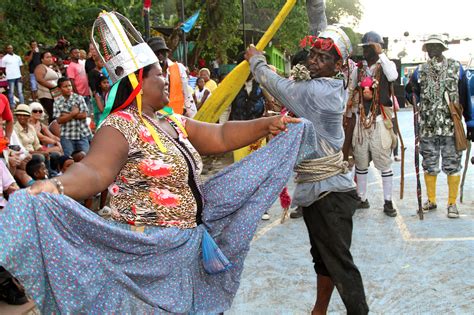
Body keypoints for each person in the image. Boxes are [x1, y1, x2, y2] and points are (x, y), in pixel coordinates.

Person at [0, 11, 306, 313]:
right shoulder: (119, 125)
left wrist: (267, 125)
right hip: (151, 256)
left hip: (186, 249)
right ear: (138, 82)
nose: (166, 78)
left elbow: (222, 136)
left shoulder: (167, 121)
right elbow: (94, 171)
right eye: (159, 72)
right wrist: (55, 185)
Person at [245, 25, 369, 314]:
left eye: (322, 58)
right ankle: (319, 310)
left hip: (330, 195)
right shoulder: (328, 82)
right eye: (312, 54)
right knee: (324, 259)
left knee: (339, 263)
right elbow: (319, 24)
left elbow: (276, 85)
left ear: (338, 66)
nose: (313, 60)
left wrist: (255, 59)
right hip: (319, 191)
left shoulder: (317, 92)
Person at [406, 34, 468, 218]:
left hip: (451, 126)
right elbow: (412, 95)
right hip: (428, 126)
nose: (433, 50)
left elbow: (464, 96)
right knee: (429, 164)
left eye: (436, 47)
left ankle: (452, 203)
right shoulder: (420, 71)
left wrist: (470, 122)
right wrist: (411, 95)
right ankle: (431, 200)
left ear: (442, 48)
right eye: (430, 47)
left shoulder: (457, 68)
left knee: (453, 164)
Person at [351, 31, 399, 217]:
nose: (366, 52)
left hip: (379, 122)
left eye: (369, 48)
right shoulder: (358, 69)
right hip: (362, 123)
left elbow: (393, 76)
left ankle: (388, 201)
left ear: (376, 48)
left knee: (384, 162)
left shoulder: (386, 66)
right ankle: (361, 198)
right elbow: (352, 90)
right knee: (361, 162)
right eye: (365, 48)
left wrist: (381, 54)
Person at [146, 37, 196, 117]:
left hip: (178, 117)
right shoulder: (148, 72)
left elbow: (187, 94)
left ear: (167, 53)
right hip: (158, 118)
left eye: (162, 52)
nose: (160, 55)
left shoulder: (179, 68)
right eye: (156, 53)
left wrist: (191, 113)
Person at [53, 77, 92, 157]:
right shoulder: (57, 102)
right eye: (65, 86)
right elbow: (59, 120)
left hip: (81, 134)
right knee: (70, 160)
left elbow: (84, 115)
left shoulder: (79, 98)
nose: (68, 88)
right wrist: (73, 113)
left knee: (85, 159)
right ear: (59, 89)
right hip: (67, 136)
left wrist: (66, 115)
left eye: (69, 86)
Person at [34, 51, 62, 123]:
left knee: (56, 113)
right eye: (47, 57)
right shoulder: (40, 67)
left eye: (50, 57)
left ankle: (54, 130)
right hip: (45, 94)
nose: (50, 59)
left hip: (55, 94)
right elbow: (40, 79)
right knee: (53, 114)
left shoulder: (51, 67)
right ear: (42, 59)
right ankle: (52, 131)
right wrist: (53, 87)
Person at [66, 48, 92, 115]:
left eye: (78, 52)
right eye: (75, 53)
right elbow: (71, 81)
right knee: (83, 114)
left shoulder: (81, 64)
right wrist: (77, 94)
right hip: (79, 94)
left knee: (89, 113)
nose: (77, 54)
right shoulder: (71, 66)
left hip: (86, 93)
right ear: (71, 55)